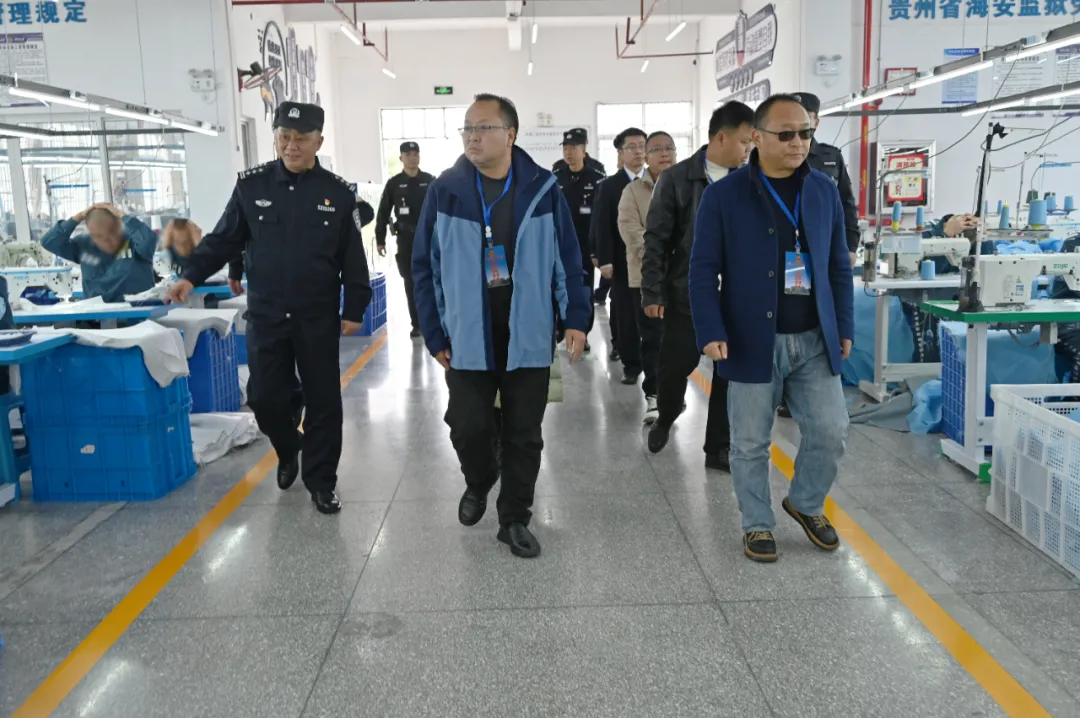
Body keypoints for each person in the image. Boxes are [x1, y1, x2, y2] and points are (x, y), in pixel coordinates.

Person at [166, 101, 372, 516]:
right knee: (263, 397)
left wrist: (355, 306)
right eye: (284, 138)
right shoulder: (252, 187)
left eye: (301, 139)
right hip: (267, 314)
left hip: (316, 315)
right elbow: (224, 239)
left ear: (318, 142)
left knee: (324, 401)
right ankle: (289, 445)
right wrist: (190, 275)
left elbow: (352, 257)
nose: (291, 146)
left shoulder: (337, 193)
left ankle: (321, 482)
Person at [412, 93, 590, 559]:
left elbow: (568, 258)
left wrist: (575, 316)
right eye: (467, 128)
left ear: (510, 135)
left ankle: (513, 519)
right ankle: (480, 478)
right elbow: (424, 267)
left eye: (483, 127)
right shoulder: (445, 190)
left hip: (528, 333)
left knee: (524, 434)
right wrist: (433, 332)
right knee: (467, 426)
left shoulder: (543, 188)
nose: (472, 136)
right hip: (466, 335)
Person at [689, 94, 854, 563]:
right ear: (757, 138)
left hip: (815, 338)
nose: (798, 143)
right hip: (749, 339)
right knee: (748, 442)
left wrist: (843, 324)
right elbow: (702, 270)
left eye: (805, 133)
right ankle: (757, 523)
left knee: (831, 430)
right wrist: (710, 329)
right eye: (786, 135)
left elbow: (838, 264)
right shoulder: (724, 196)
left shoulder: (822, 190)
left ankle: (805, 503)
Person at [642, 101, 754, 469]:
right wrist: (653, 291)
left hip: (737, 295)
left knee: (728, 373)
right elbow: (656, 240)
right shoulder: (677, 179)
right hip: (688, 292)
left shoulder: (752, 179)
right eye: (744, 142)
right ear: (721, 138)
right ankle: (666, 415)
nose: (748, 150)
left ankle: (718, 447)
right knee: (675, 365)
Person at [618, 130, 676, 423]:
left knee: (679, 340)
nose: (664, 154)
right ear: (647, 157)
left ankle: (673, 392)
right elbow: (630, 231)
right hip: (646, 278)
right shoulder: (632, 192)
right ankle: (654, 395)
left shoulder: (687, 186)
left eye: (669, 148)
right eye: (657, 149)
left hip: (683, 277)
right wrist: (665, 250)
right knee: (653, 338)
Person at [596, 128, 647, 384]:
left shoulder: (661, 181)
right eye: (632, 147)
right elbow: (602, 224)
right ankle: (632, 365)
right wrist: (604, 259)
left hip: (654, 262)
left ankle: (656, 367)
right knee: (626, 315)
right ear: (620, 153)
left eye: (642, 146)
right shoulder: (609, 186)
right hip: (622, 261)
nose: (638, 152)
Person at [554, 127, 606, 354]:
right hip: (561, 244)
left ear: (584, 149)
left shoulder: (596, 177)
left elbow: (601, 217)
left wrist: (597, 250)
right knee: (559, 286)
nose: (569, 152)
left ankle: (582, 331)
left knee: (584, 289)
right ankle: (560, 329)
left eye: (573, 148)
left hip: (585, 245)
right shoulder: (556, 175)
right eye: (566, 148)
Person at [375, 142, 434, 338]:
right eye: (408, 154)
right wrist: (380, 239)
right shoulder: (394, 183)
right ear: (401, 158)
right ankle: (417, 324)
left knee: (431, 280)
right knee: (410, 282)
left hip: (429, 238)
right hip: (406, 239)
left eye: (415, 154)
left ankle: (433, 322)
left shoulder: (429, 181)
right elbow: (383, 212)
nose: (412, 157)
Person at [41, 203, 156, 302]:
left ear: (119, 224)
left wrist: (122, 215)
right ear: (90, 231)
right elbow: (49, 242)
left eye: (111, 231)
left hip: (137, 312)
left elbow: (148, 240)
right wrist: (79, 216)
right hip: (98, 314)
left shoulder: (134, 241)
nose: (107, 240)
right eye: (99, 235)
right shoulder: (84, 245)